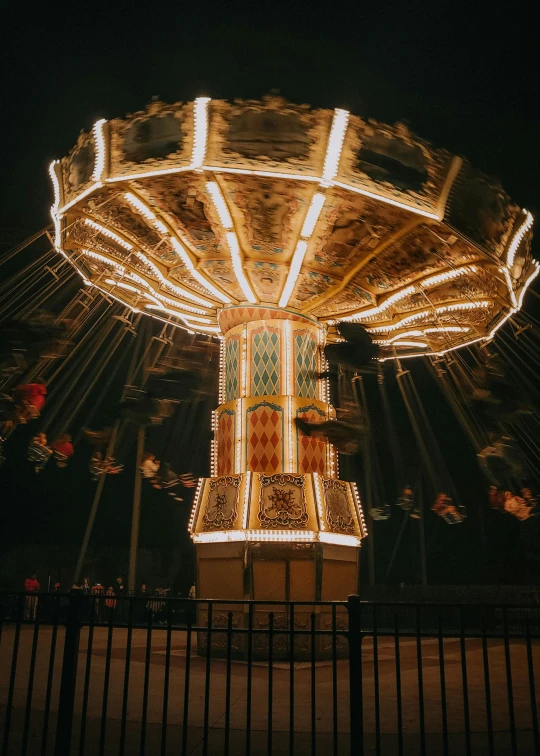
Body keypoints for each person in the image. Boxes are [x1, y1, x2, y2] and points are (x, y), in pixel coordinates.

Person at [294, 412, 363, 455]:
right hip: (342, 435)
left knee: (332, 426)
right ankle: (310, 428)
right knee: (332, 427)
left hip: (344, 436)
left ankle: (310, 428)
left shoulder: (351, 436)